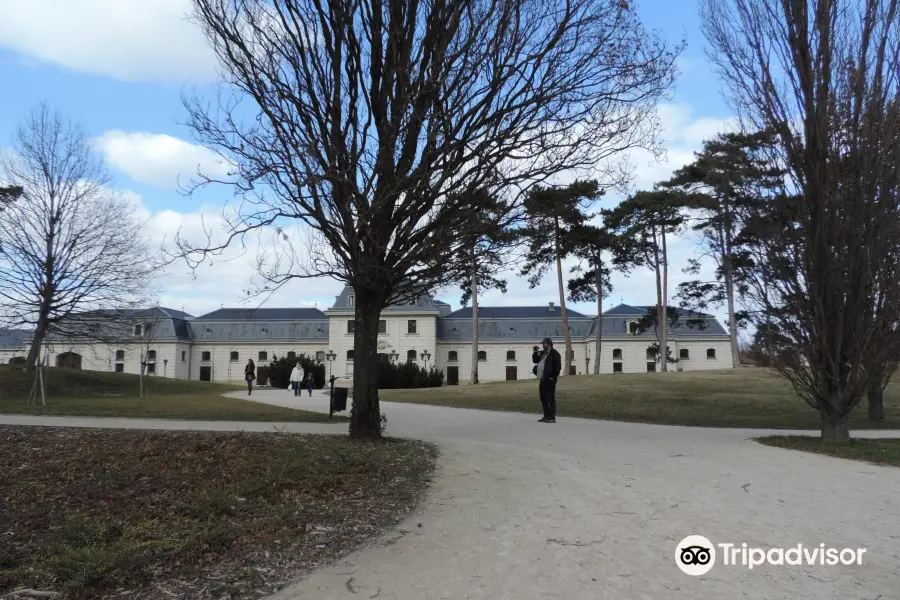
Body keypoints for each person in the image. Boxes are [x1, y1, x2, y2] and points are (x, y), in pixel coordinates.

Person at [532, 337, 561, 423]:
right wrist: (535, 352)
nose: (543, 345)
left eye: (544, 344)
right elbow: (535, 360)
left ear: (549, 344)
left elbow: (557, 367)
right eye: (542, 344)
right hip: (543, 379)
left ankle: (552, 417)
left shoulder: (555, 354)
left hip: (550, 379)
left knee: (550, 398)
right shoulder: (543, 353)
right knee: (543, 397)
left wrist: (553, 376)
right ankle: (546, 416)